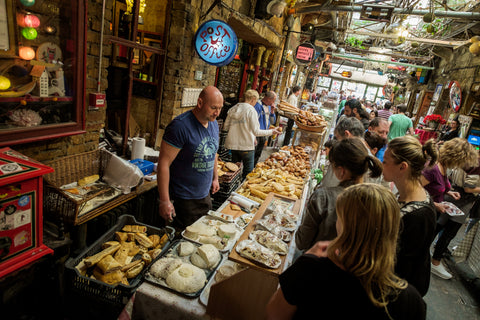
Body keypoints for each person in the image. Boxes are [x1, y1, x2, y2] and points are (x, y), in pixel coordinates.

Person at [266, 184, 426, 320]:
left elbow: (274, 313)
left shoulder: (311, 269)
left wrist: (306, 259)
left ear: (347, 227)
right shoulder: (411, 302)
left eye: (340, 216)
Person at [295, 138, 383, 250]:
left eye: (332, 166)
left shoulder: (323, 198)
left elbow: (302, 242)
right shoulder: (376, 201)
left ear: (341, 171)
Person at [157, 86, 223, 229]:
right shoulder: (180, 126)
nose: (217, 113)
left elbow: (213, 153)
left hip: (204, 195)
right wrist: (164, 201)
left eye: (220, 108)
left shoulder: (214, 124)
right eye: (213, 108)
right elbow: (163, 164)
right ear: (200, 103)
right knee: (181, 243)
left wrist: (215, 178)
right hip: (183, 199)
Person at [382, 136, 437, 296]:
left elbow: (401, 266)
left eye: (385, 161)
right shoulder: (408, 192)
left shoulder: (417, 215)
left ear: (402, 167)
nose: (382, 165)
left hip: (398, 290)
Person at [421, 138, 478, 279]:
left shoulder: (443, 168)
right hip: (424, 212)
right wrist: (436, 204)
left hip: (431, 211)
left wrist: (448, 192)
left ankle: (426, 261)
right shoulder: (433, 168)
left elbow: (439, 186)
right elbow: (414, 191)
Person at [223, 89, 281, 180]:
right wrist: (272, 131)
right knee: (248, 172)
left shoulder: (233, 109)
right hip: (246, 146)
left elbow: (225, 127)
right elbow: (256, 132)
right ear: (253, 99)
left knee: (233, 170)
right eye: (256, 100)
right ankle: (240, 190)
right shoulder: (251, 110)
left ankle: (232, 188)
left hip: (233, 145)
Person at [253, 91, 277, 166]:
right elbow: (253, 121)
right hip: (257, 133)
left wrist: (272, 111)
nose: (274, 102)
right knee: (253, 153)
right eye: (273, 100)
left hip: (264, 133)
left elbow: (273, 121)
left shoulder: (270, 107)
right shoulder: (258, 106)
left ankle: (253, 168)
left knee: (258, 153)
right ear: (269, 99)